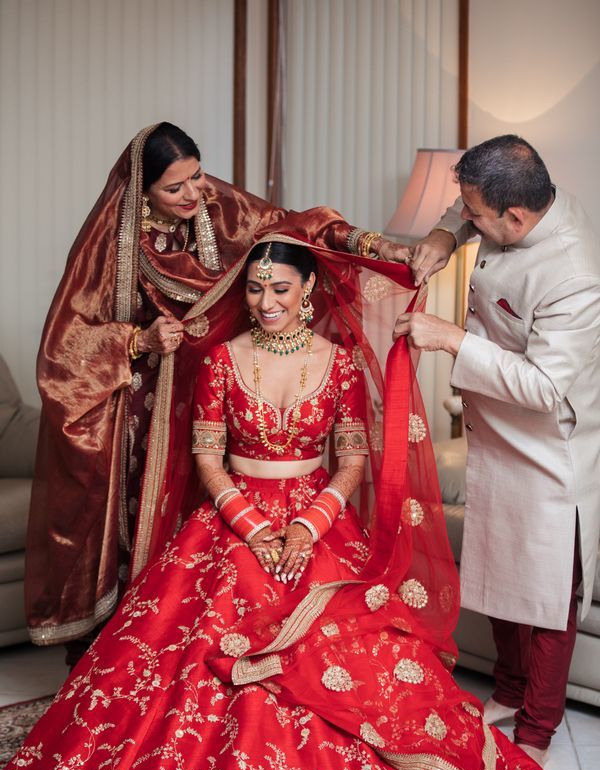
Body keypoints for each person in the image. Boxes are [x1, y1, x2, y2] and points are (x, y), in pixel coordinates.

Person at [0, 240, 565, 770]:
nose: (265, 303)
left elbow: (351, 460)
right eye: (254, 290)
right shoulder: (219, 360)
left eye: (280, 290)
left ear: (309, 294)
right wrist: (255, 525)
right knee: (190, 647)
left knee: (361, 665)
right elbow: (208, 458)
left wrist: (305, 525)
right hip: (233, 520)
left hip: (317, 523)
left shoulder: (342, 364)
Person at [26, 122, 411, 662]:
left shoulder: (217, 207)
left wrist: (373, 244)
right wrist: (139, 338)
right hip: (144, 402)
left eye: (197, 176)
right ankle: (117, 648)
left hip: (226, 381)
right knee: (142, 522)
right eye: (174, 188)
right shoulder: (111, 242)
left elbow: (296, 229)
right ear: (143, 192)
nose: (193, 194)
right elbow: (65, 346)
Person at [394, 135, 600, 767]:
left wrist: (452, 339)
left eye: (476, 215)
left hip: (547, 445)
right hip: (496, 433)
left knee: (543, 594)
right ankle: (508, 692)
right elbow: (469, 215)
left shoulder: (574, 275)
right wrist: (445, 234)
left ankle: (537, 727)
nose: (469, 218)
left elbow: (541, 387)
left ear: (515, 217)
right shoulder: (520, 206)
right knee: (506, 577)